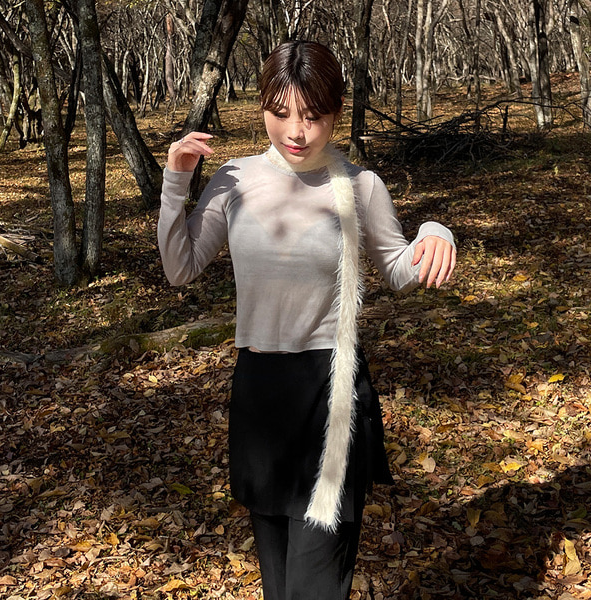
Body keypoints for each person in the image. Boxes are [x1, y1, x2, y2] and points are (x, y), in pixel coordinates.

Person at [158, 40, 456, 600]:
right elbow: (180, 267)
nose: (296, 131)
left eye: (313, 116)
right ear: (261, 108)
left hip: (330, 397)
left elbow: (399, 268)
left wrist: (435, 232)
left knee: (313, 588)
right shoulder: (234, 179)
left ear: (336, 112)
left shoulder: (361, 186)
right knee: (279, 587)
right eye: (280, 113)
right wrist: (176, 180)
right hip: (259, 396)